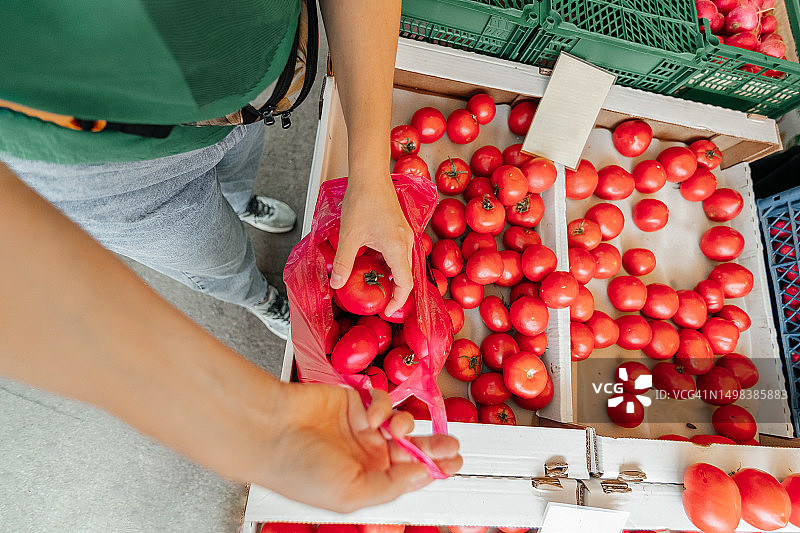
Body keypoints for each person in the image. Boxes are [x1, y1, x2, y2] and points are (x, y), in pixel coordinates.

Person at [0, 0, 461, 514]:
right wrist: (264, 429)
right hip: (100, 168)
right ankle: (259, 298)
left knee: (239, 171)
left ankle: (244, 203)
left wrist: (371, 174)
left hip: (253, 87)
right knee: (217, 260)